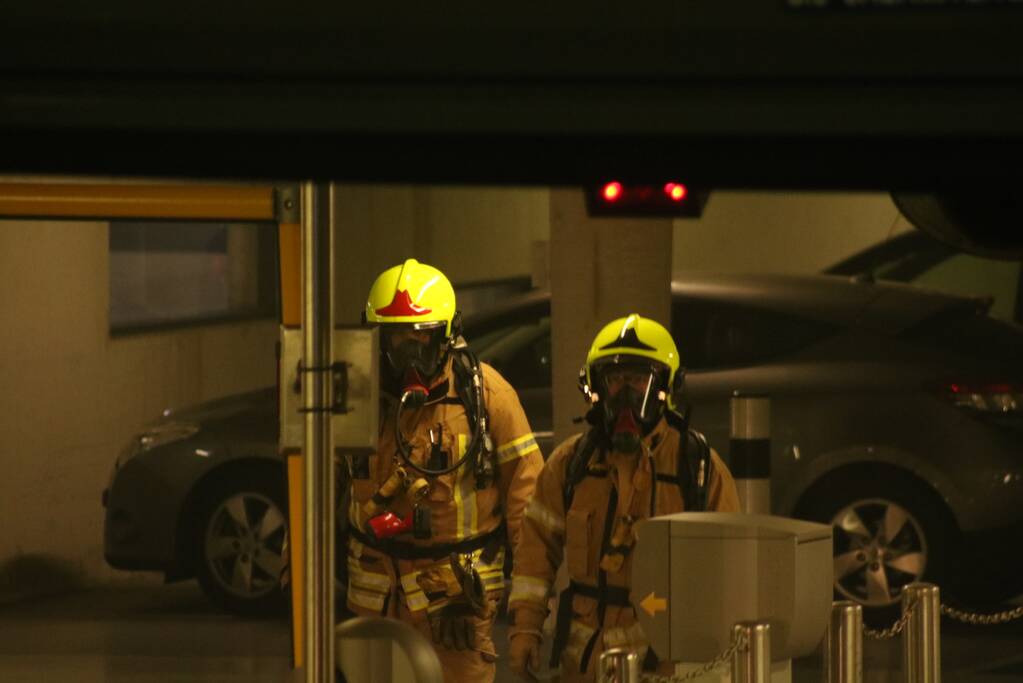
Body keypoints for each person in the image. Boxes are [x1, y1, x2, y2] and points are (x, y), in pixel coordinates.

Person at [507, 313, 740, 682]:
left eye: (639, 380)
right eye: (615, 380)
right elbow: (535, 554)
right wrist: (525, 629)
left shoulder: (698, 469)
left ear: (666, 386)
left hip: (664, 665)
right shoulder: (571, 464)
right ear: (595, 387)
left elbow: (730, 573)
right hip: (585, 665)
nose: (626, 395)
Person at [344, 258, 542, 683]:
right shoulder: (352, 402)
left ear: (448, 336)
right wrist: (298, 588)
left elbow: (531, 517)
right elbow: (310, 498)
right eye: (397, 338)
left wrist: (526, 621)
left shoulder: (488, 398)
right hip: (371, 614)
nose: (409, 354)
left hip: (456, 618)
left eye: (422, 337)